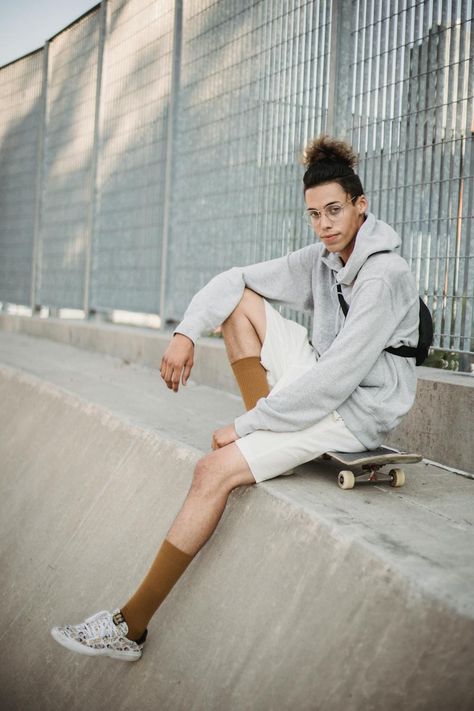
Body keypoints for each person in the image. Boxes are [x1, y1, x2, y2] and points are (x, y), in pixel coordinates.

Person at [51, 135, 419, 661]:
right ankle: (266, 437)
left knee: (211, 472)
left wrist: (250, 427)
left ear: (362, 206)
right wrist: (184, 333)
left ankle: (129, 628)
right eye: (314, 214)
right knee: (237, 303)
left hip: (354, 410)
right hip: (322, 377)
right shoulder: (325, 257)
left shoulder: (383, 276)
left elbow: (337, 380)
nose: (325, 224)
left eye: (335, 210)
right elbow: (236, 280)